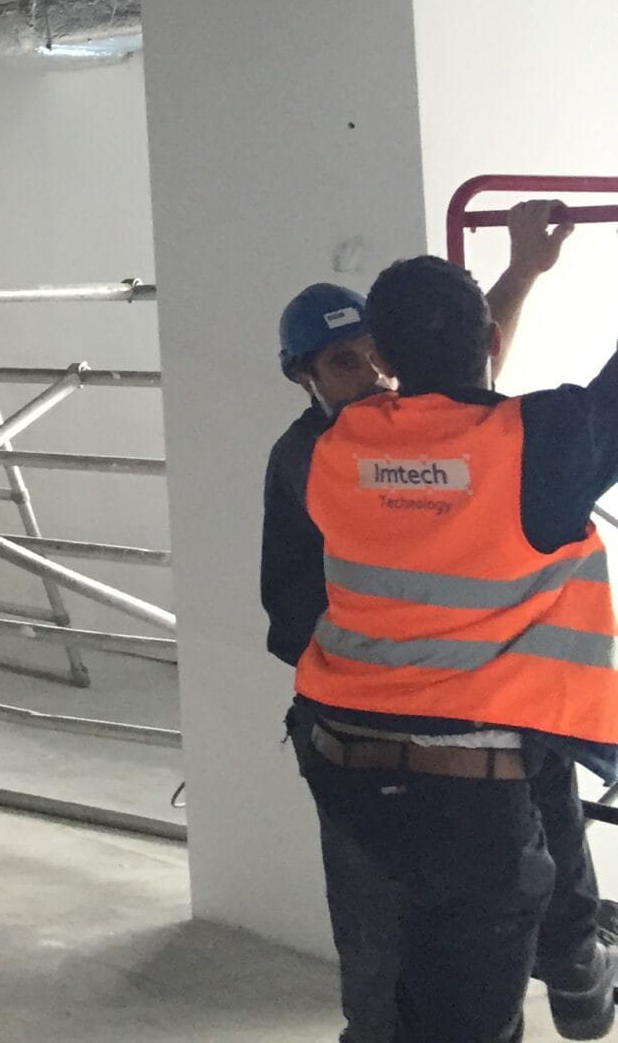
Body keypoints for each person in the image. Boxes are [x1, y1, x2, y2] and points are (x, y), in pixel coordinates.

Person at [268, 204, 617, 1043]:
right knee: (462, 1007)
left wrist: (521, 273)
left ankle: (576, 966)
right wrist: (518, 275)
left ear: (387, 362)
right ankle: (576, 972)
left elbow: (451, 406)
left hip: (345, 762)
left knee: (392, 984)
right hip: (468, 784)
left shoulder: (326, 450)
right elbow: (471, 406)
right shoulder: (536, 442)